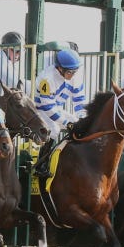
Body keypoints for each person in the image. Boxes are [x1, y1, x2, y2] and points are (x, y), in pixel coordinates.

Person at [31, 48, 87, 178]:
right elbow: (48, 106)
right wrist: (66, 123)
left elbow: (79, 100)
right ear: (59, 68)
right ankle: (41, 164)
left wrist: (82, 117)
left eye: (75, 71)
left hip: (56, 108)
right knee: (54, 129)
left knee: (77, 123)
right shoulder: (47, 78)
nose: (72, 75)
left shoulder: (75, 75)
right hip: (41, 109)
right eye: (69, 72)